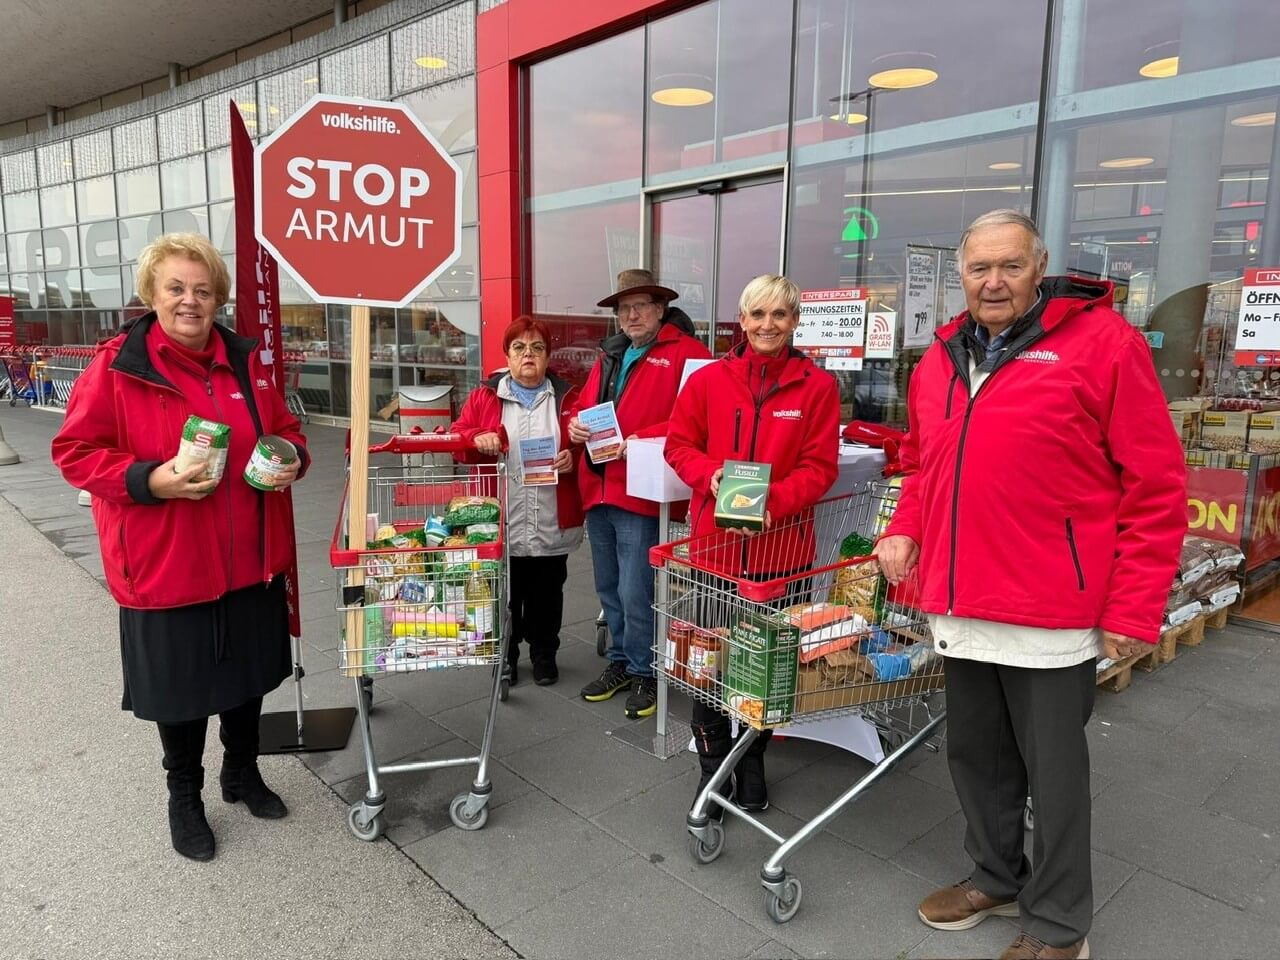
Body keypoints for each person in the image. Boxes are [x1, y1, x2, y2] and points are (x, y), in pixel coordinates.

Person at [875, 210, 1186, 960]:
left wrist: (1135, 607)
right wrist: (906, 525)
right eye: (980, 267)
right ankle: (995, 874)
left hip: (1053, 608)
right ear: (961, 274)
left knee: (1054, 774)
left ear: (1038, 266)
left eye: (1010, 266)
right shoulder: (941, 356)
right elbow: (925, 462)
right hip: (957, 595)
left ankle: (1059, 924)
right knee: (976, 756)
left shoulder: (1102, 344)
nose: (993, 282)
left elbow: (1156, 484)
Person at [51, 233, 309, 863]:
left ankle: (241, 774)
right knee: (182, 690)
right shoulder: (117, 366)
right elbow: (75, 453)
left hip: (250, 555)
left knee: (249, 678)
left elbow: (285, 431)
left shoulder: (246, 364)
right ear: (151, 294)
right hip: (168, 563)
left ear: (218, 297)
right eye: (175, 288)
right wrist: (150, 479)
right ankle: (184, 797)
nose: (190, 301)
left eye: (202, 289)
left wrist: (291, 458)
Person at [664, 274, 839, 815]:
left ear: (794, 321)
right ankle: (712, 770)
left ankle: (754, 759)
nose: (768, 325)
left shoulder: (817, 386)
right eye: (757, 315)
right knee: (710, 665)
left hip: (781, 557)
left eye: (779, 315)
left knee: (766, 672)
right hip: (714, 554)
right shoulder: (709, 381)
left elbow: (820, 468)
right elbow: (679, 445)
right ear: (741, 321)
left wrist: (775, 503)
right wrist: (711, 474)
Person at [567, 269, 711, 719]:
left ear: (660, 309)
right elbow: (583, 406)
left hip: (643, 490)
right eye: (623, 308)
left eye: (640, 306)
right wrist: (572, 423)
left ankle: (648, 670)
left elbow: (700, 421)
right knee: (608, 586)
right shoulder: (610, 355)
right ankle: (621, 663)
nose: (631, 315)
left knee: (637, 588)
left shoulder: (690, 354)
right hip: (600, 486)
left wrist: (642, 438)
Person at [451, 316, 583, 686]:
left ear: (548, 356)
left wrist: (574, 456)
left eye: (537, 348)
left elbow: (588, 444)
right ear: (507, 356)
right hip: (500, 515)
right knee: (501, 594)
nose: (529, 355)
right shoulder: (485, 397)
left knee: (547, 593)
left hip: (550, 516)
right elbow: (458, 437)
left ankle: (544, 655)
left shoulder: (568, 397)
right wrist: (477, 436)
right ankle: (504, 656)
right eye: (519, 348)